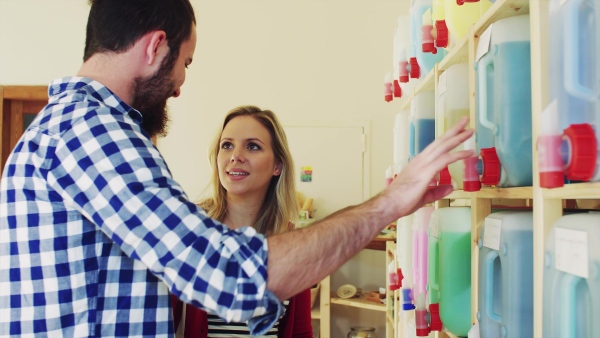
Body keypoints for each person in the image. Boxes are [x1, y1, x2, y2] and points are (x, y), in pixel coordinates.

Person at [0, 0, 474, 337]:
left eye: (252, 147)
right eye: (184, 63)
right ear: (155, 47)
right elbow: (228, 272)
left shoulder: (66, 129)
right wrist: (390, 202)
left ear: (277, 167)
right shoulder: (94, 133)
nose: (180, 85)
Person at [171, 105, 312, 337]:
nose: (235, 155)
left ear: (277, 166)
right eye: (227, 145)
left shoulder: (294, 246)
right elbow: (161, 321)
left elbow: (300, 333)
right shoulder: (190, 229)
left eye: (253, 146)